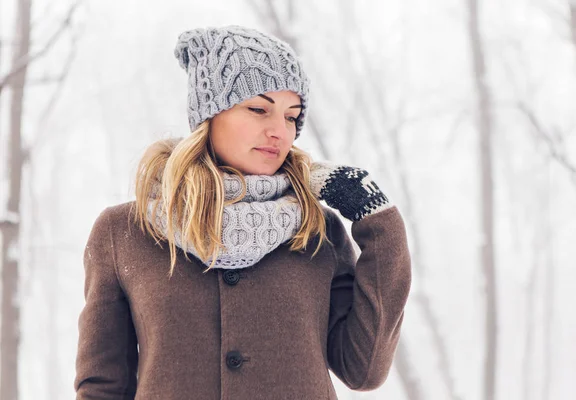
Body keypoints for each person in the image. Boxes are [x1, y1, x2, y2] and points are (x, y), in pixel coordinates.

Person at [74, 25, 411, 399]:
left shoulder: (318, 230)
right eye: (258, 109)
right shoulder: (124, 233)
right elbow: (102, 387)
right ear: (209, 115)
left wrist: (379, 222)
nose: (280, 132)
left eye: (291, 116)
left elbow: (362, 370)